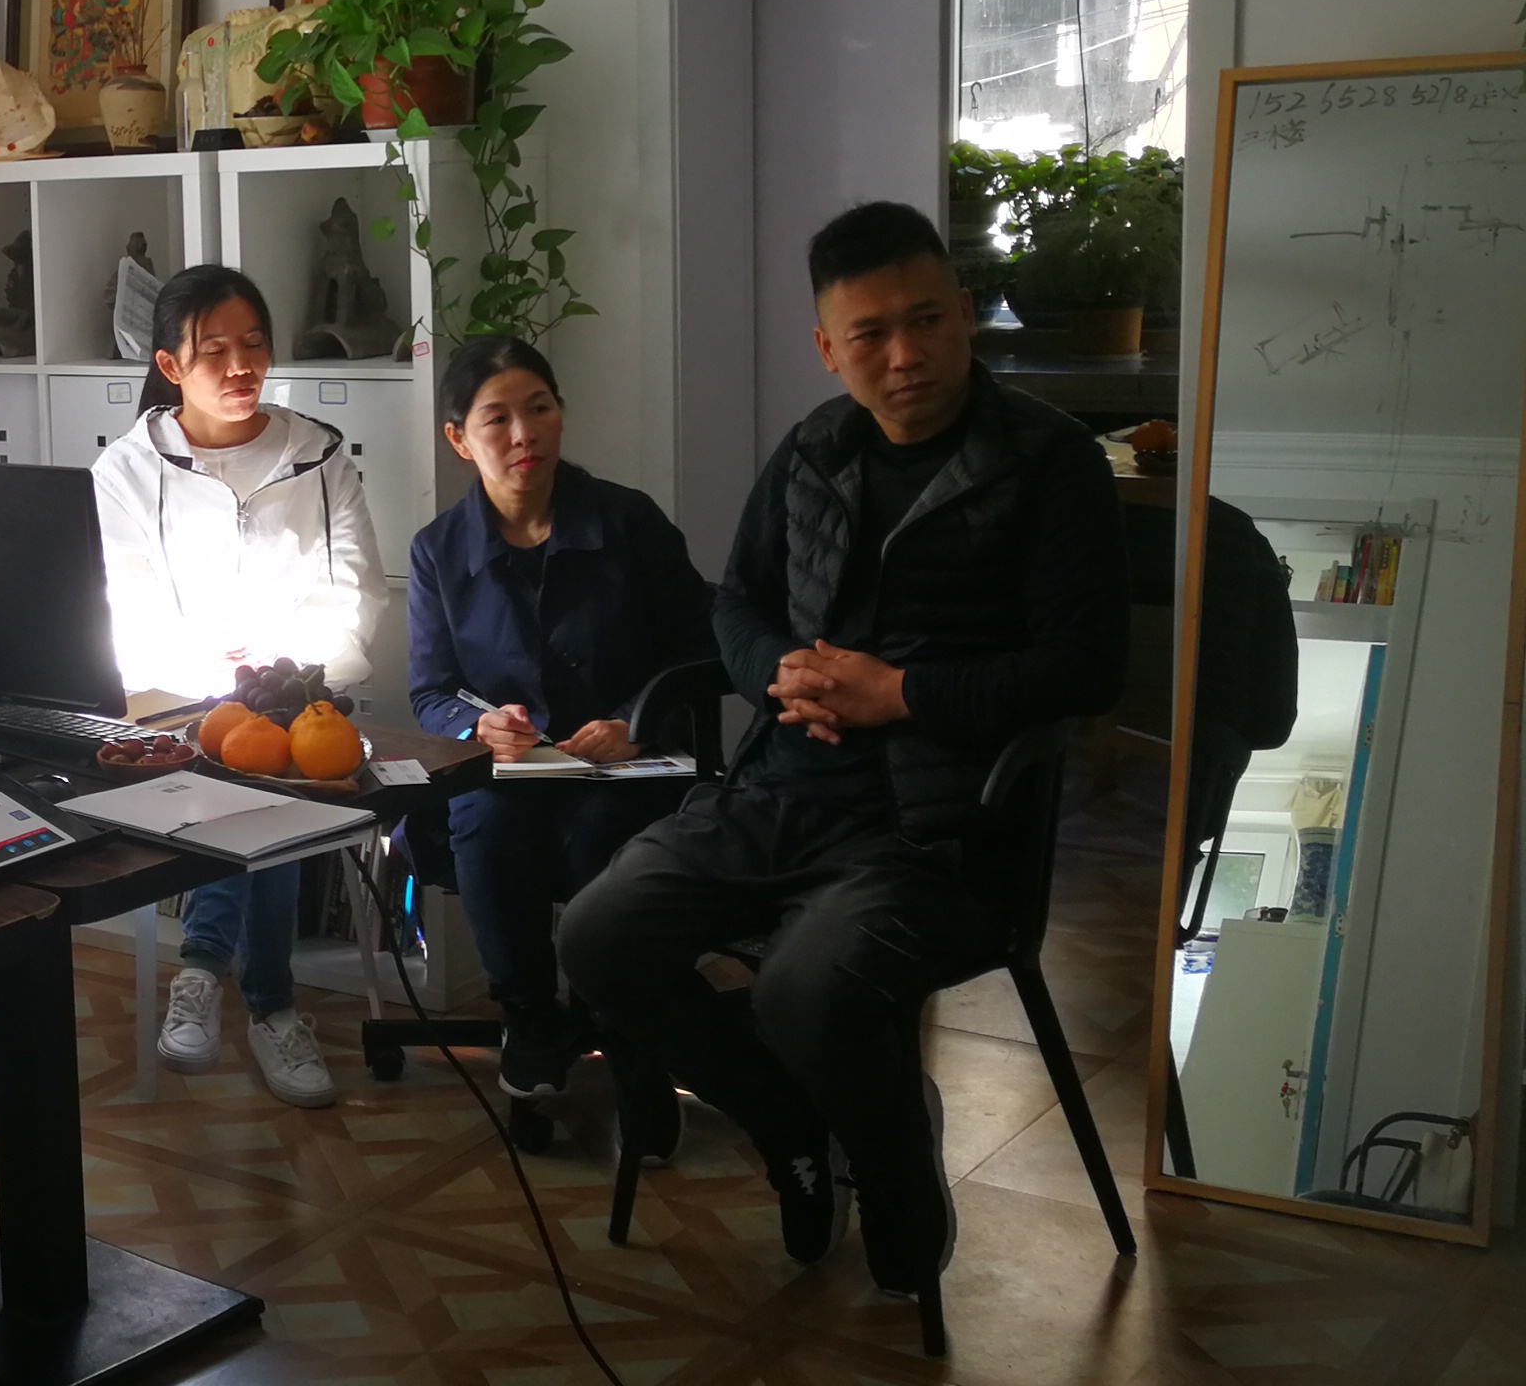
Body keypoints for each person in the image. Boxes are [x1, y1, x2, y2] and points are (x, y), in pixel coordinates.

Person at [558, 202, 1126, 1294]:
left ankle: (897, 1167)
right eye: (871, 334)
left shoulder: (1049, 462)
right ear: (829, 348)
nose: (905, 356)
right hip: (780, 792)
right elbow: (736, 606)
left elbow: (1085, 669)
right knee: (599, 935)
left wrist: (899, 694)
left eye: (927, 320)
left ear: (967, 313)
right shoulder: (814, 450)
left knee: (803, 989)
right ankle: (790, 1129)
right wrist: (776, 669)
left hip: (946, 826)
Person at [94, 264, 388, 1109]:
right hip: (175, 704)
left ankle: (208, 972)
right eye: (214, 351)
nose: (240, 366)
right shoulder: (127, 470)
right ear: (171, 365)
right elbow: (121, 601)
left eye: (254, 344)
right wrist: (205, 660)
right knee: (240, 771)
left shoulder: (316, 455)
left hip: (300, 699)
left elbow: (357, 587)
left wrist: (280, 669)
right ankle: (269, 1001)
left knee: (266, 771)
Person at [407, 336, 714, 1101]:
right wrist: (480, 728)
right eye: (498, 419)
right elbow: (431, 692)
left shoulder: (628, 521)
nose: (524, 435)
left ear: (561, 414)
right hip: (514, 772)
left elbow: (705, 648)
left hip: (629, 766)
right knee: (483, 821)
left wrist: (634, 721)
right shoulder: (437, 552)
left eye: (539, 409)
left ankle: (623, 1024)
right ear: (459, 439)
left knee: (599, 832)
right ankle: (531, 1019)